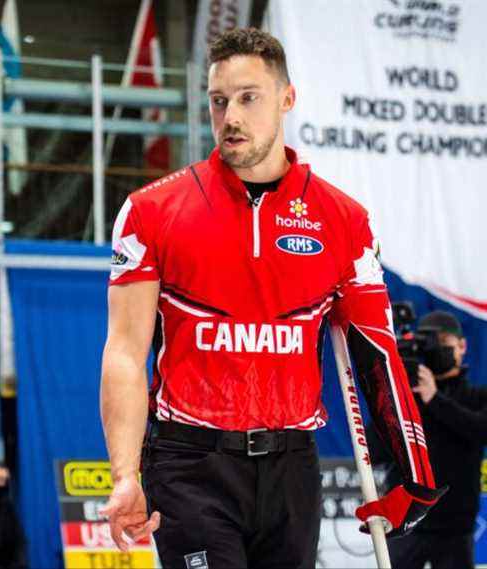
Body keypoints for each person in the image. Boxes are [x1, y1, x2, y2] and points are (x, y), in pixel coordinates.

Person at [99, 27, 446, 568]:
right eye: (219, 101)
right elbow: (124, 351)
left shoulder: (343, 221)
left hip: (291, 467)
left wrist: (416, 478)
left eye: (248, 97)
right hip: (191, 463)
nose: (230, 116)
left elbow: (376, 354)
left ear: (287, 98)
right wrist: (124, 476)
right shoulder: (151, 212)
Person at [371, 310, 483, 569]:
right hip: (407, 522)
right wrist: (388, 397)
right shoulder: (407, 400)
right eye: (432, 344)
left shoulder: (477, 397)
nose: (439, 350)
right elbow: (375, 451)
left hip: (455, 526)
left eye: (445, 343)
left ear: (462, 346)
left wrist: (435, 399)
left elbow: (479, 430)